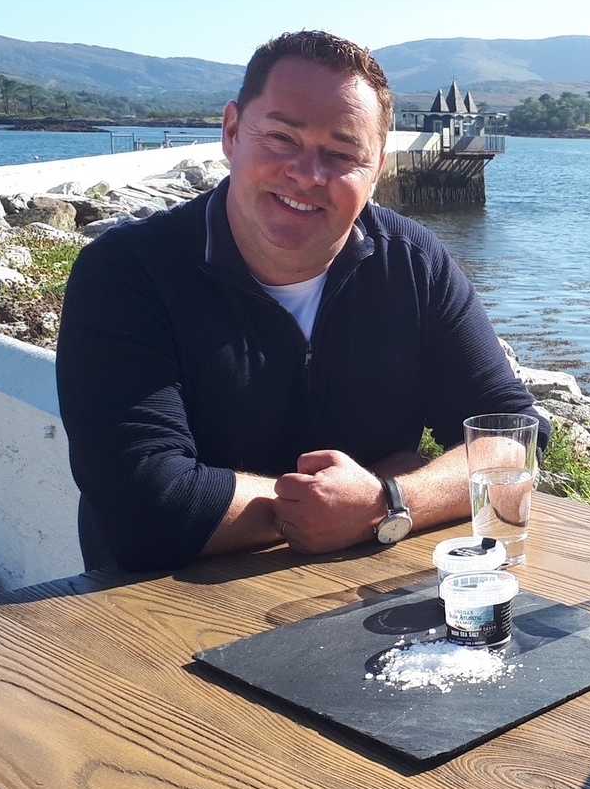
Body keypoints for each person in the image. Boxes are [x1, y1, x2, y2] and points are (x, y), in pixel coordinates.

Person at [56, 31, 543, 572]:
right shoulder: (128, 273)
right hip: (155, 612)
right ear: (233, 132)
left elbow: (513, 438)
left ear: (377, 167)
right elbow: (142, 508)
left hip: (355, 598)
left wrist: (388, 499)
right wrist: (335, 510)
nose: (308, 175)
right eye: (282, 139)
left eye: (341, 154)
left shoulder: (412, 263)